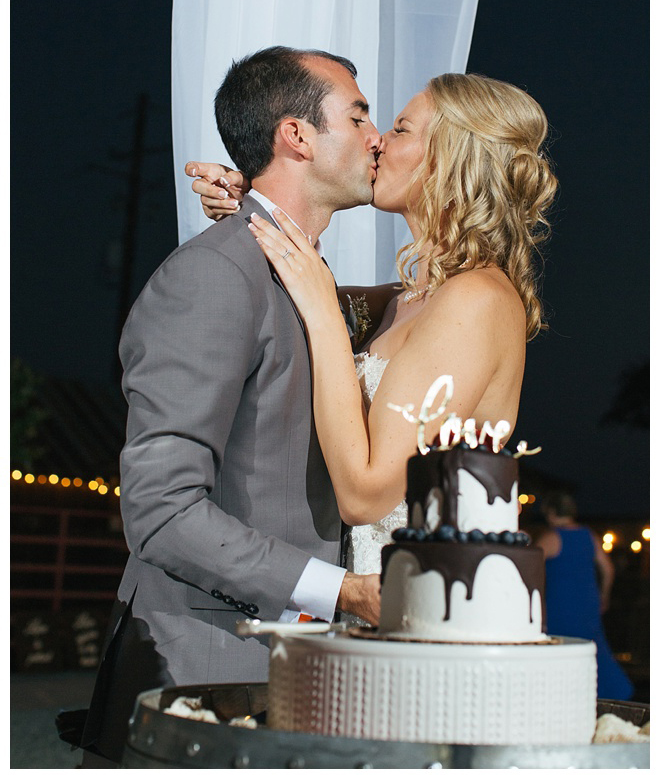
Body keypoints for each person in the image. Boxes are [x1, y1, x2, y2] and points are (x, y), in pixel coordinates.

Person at [78, 46, 383, 766]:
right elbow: (162, 511)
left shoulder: (301, 274)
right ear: (296, 135)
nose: (376, 138)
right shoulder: (215, 275)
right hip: (197, 672)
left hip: (290, 674)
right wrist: (345, 592)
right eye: (359, 116)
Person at [187, 72, 558, 576]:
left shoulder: (477, 301)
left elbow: (365, 497)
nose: (379, 140)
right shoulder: (403, 301)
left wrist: (323, 310)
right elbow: (288, 297)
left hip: (409, 599)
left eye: (401, 129)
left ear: (451, 157)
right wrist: (253, 202)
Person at [536, 491, 634, 700]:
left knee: (561, 649)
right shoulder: (588, 535)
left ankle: (564, 696)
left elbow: (529, 566)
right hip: (588, 601)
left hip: (560, 603)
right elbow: (608, 569)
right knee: (592, 649)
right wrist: (604, 595)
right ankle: (614, 693)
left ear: (551, 512)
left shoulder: (552, 537)